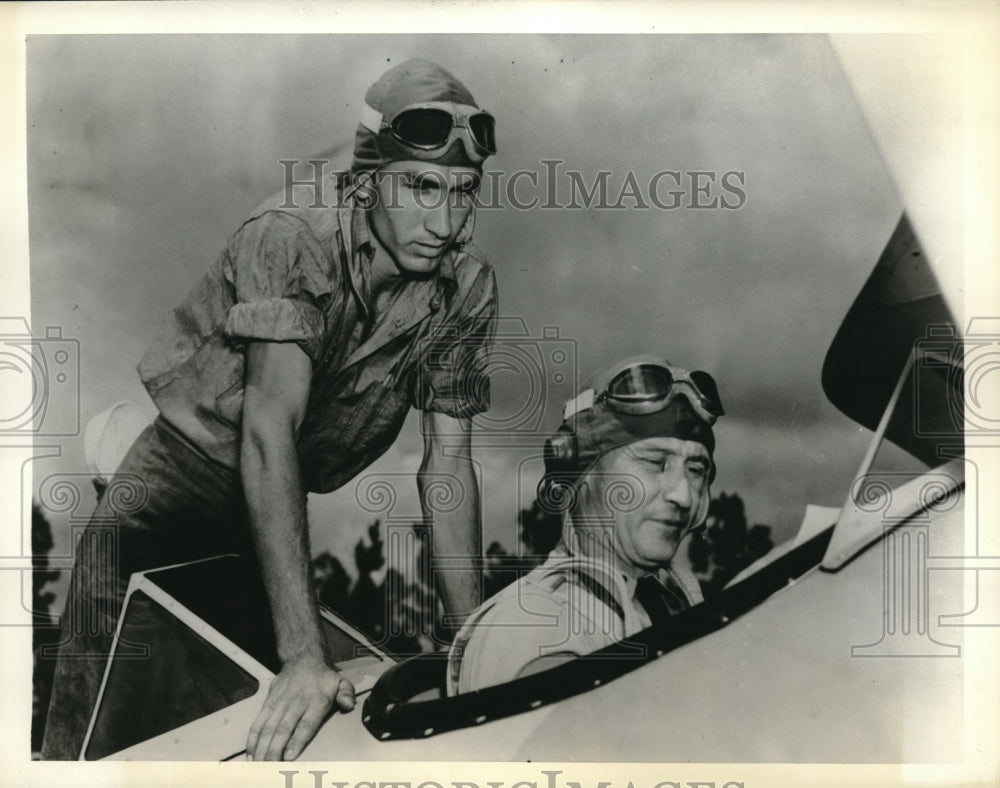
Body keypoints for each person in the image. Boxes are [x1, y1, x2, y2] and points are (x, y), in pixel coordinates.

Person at [43, 58, 498, 761]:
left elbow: (449, 465)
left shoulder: (464, 288)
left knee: (260, 742)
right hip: (164, 504)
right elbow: (267, 430)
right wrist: (302, 656)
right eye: (422, 186)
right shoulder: (293, 235)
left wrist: (475, 648)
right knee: (90, 746)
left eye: (465, 192)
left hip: (263, 521)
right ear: (368, 177)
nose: (446, 220)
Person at [447, 354, 723, 695]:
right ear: (579, 474)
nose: (683, 495)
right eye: (655, 463)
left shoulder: (670, 603)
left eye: (695, 470)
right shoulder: (536, 627)